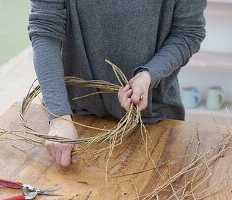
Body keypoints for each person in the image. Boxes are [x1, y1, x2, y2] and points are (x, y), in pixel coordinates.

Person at [28, 0, 206, 167]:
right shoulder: (64, 119)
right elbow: (45, 30)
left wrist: (148, 75)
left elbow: (187, 33)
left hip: (153, 121)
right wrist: (59, 117)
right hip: (73, 123)